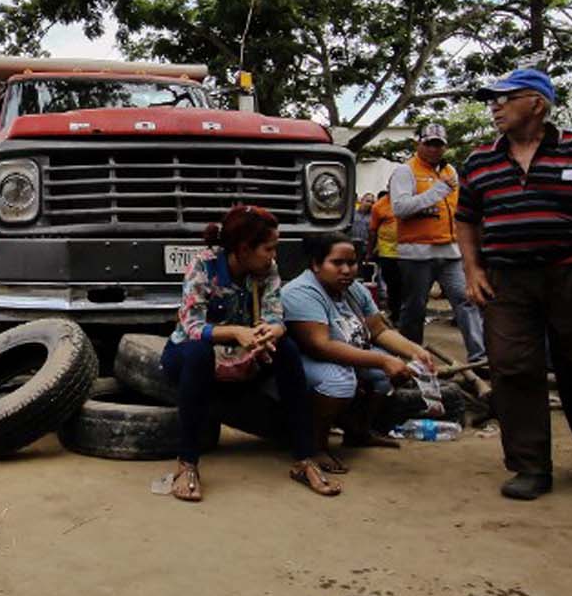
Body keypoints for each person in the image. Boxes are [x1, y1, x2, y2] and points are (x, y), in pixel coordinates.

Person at [456, 68, 572, 500]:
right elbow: (466, 220)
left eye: (505, 98)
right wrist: (473, 271)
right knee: (513, 368)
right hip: (507, 281)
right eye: (492, 100)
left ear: (536, 103)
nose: (495, 107)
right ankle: (530, 466)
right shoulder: (480, 159)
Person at [161, 205, 340, 502]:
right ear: (244, 249)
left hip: (244, 358)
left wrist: (273, 331)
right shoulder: (203, 266)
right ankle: (187, 463)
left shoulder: (267, 270)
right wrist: (235, 332)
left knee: (288, 350)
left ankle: (304, 457)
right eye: (268, 248)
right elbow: (192, 325)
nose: (274, 256)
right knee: (197, 353)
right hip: (191, 355)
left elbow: (274, 316)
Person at [284, 233, 436, 474]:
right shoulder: (300, 292)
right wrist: (383, 360)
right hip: (308, 360)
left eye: (351, 263)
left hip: (351, 351)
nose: (346, 270)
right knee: (339, 381)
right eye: (337, 263)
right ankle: (315, 445)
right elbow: (320, 346)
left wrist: (415, 352)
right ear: (316, 264)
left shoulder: (355, 289)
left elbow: (378, 330)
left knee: (386, 374)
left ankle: (358, 432)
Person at [387, 124, 486, 362]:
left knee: (466, 301)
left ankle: (479, 356)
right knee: (415, 308)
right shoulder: (405, 171)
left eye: (438, 144)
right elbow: (400, 208)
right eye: (429, 143)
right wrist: (437, 191)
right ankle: (413, 356)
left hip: (451, 251)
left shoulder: (450, 171)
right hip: (417, 253)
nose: (434, 149)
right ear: (418, 143)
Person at [367, 190, 403, 321]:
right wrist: (370, 252)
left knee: (408, 286)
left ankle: (405, 314)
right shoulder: (379, 206)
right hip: (388, 253)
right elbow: (372, 231)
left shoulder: (408, 201)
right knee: (393, 286)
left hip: (408, 252)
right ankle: (396, 314)